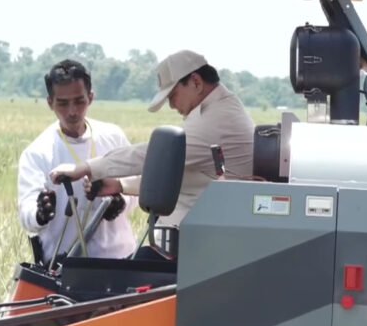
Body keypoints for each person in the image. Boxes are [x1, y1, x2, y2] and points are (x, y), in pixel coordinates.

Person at [49, 50, 255, 259]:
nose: (172, 105)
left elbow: (157, 156)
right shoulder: (220, 108)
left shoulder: (215, 120)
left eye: (173, 95)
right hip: (199, 240)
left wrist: (86, 167)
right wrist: (121, 186)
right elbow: (183, 173)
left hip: (199, 250)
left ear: (195, 82)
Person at [18, 59, 137, 265]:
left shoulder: (114, 137)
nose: (72, 111)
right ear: (50, 103)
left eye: (79, 101)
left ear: (91, 97)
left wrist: (120, 201)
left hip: (120, 260)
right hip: (65, 266)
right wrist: (40, 213)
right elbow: (26, 212)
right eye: (63, 103)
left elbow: (137, 188)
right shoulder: (37, 152)